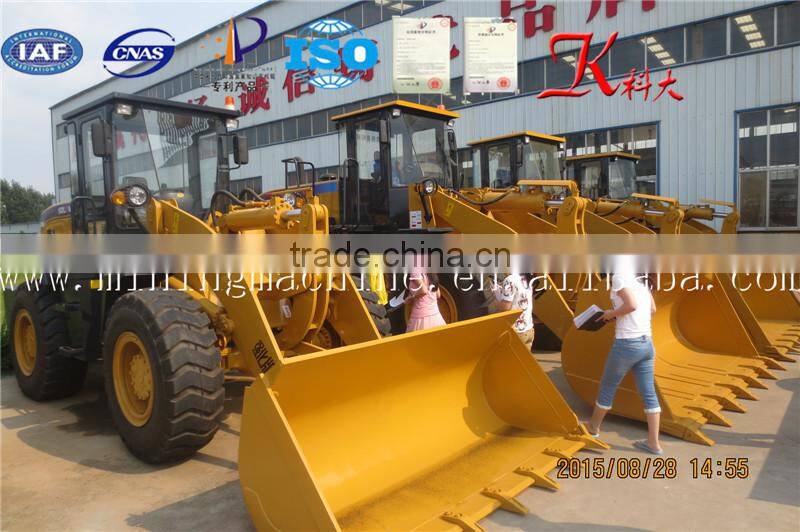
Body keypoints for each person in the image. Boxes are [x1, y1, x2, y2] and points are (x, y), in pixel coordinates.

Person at [586, 271, 662, 455]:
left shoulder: (620, 276)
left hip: (627, 344)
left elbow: (631, 305)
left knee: (607, 387)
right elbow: (652, 309)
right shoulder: (641, 281)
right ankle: (654, 443)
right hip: (647, 344)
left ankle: (593, 429)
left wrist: (611, 313)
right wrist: (619, 315)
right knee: (648, 393)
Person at [490, 273, 534, 351]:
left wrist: (494, 300)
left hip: (516, 333)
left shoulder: (510, 280)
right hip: (529, 330)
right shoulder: (527, 277)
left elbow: (506, 307)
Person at [405, 261, 446, 332]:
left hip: (420, 319)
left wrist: (411, 297)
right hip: (436, 317)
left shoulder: (415, 271)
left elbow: (423, 290)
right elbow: (438, 295)